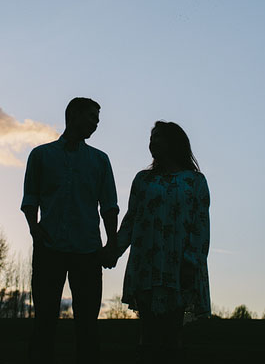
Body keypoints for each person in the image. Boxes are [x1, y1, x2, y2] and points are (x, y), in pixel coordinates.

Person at [21, 97, 119, 364]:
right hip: (49, 249)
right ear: (73, 115)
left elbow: (109, 205)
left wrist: (112, 244)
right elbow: (30, 199)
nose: (96, 124)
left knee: (87, 324)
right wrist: (34, 229)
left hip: (87, 252)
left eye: (97, 119)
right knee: (44, 322)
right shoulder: (41, 155)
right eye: (91, 117)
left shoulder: (100, 160)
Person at [104, 121, 210, 363]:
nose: (152, 143)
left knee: (173, 333)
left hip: (179, 265)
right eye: (151, 138)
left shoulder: (195, 181)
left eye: (158, 137)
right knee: (148, 332)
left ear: (174, 142)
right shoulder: (143, 180)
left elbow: (200, 225)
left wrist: (192, 262)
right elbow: (131, 220)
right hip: (147, 264)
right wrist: (114, 251)